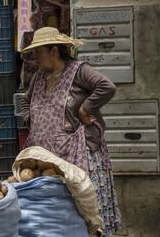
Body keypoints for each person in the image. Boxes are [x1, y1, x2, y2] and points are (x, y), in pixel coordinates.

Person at [20, 27, 121, 236]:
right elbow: (26, 100)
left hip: (77, 154)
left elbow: (106, 87)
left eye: (39, 52)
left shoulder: (78, 71)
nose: (36, 58)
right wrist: (30, 118)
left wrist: (86, 108)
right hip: (47, 158)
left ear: (54, 51)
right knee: (59, 213)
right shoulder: (39, 77)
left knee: (86, 209)